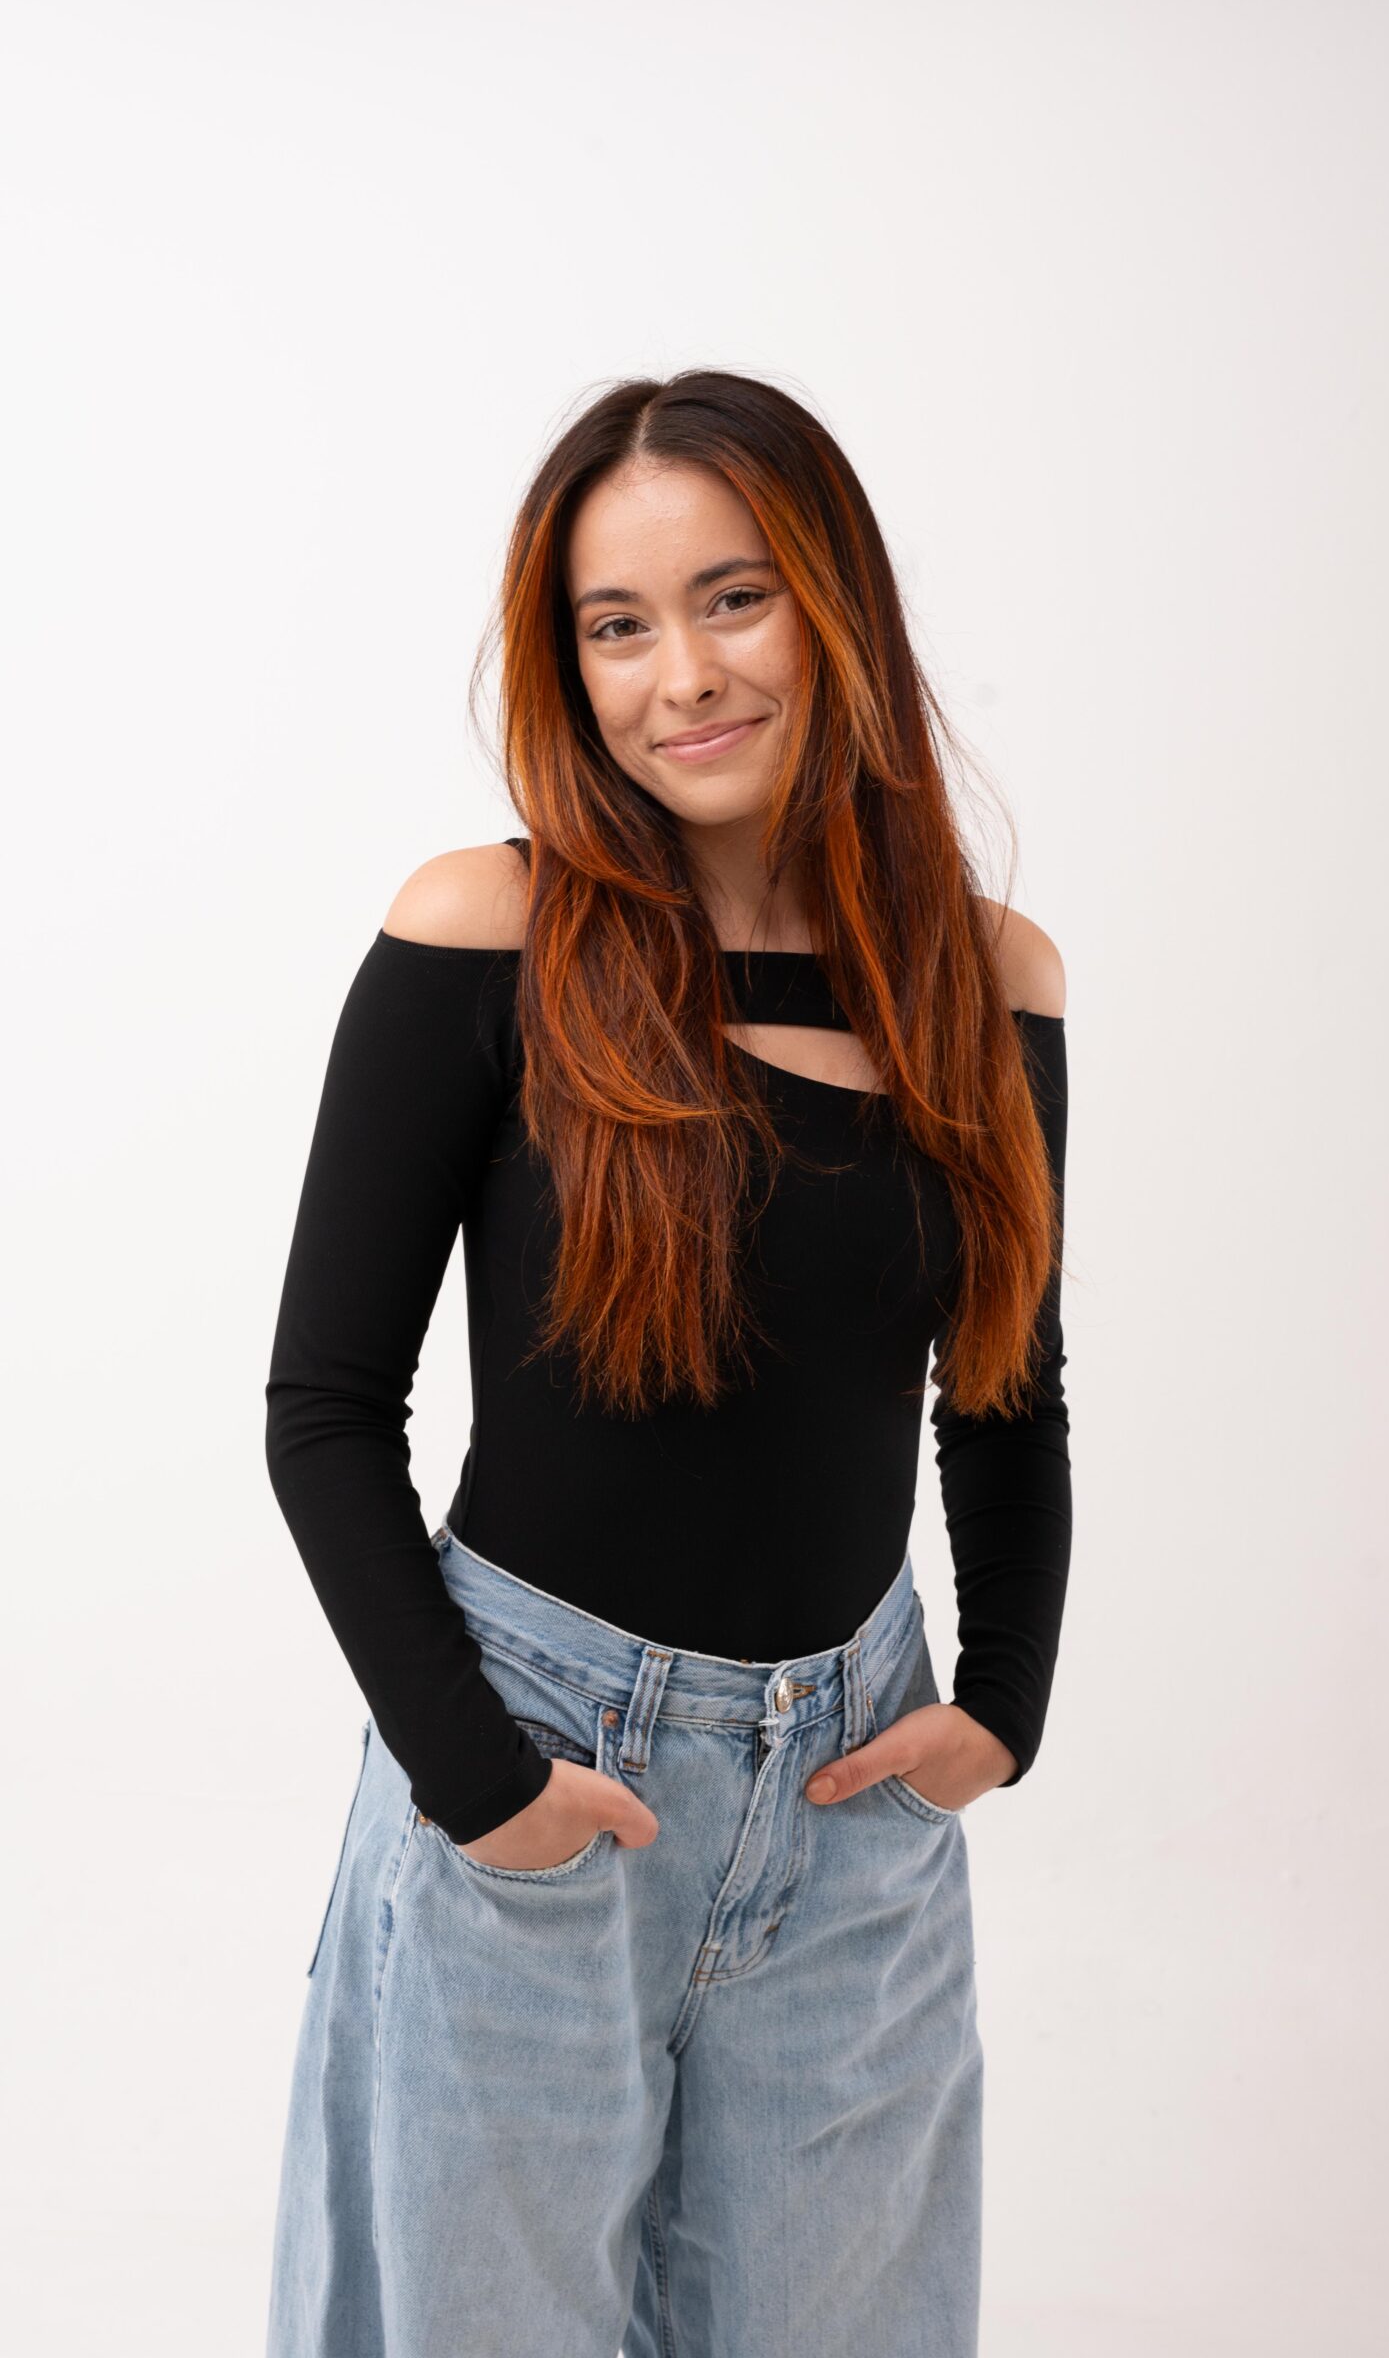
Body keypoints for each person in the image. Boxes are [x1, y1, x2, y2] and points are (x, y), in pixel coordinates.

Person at [261, 369, 1073, 2358]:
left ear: (833, 604)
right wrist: (479, 1784)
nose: (680, 675)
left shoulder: (986, 980)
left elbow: (1006, 1381)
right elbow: (325, 1407)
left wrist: (1002, 1702)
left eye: (733, 598)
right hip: (537, 1756)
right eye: (616, 626)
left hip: (854, 1793)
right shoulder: (490, 933)